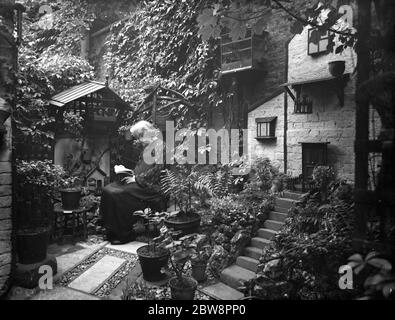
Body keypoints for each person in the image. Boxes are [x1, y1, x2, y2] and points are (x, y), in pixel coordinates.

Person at [99, 121, 165, 245]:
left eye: (139, 136)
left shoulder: (160, 145)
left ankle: (124, 234)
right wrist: (130, 173)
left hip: (150, 185)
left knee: (118, 194)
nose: (139, 140)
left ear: (145, 132)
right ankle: (110, 230)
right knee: (108, 189)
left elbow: (158, 170)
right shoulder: (148, 144)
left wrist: (137, 179)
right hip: (138, 179)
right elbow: (142, 165)